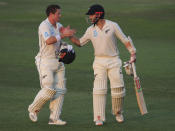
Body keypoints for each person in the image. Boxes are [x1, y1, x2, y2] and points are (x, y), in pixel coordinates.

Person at [69, 4, 136, 126]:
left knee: (118, 88)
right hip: (99, 62)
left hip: (114, 60)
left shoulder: (113, 25)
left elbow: (125, 40)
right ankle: (98, 117)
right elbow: (79, 42)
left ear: (98, 14)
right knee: (99, 89)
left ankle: (118, 112)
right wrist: (69, 36)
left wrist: (133, 53)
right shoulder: (90, 30)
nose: (89, 17)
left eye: (91, 15)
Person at [28, 4, 75, 125]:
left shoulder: (59, 26)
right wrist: (63, 35)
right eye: (58, 13)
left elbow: (60, 40)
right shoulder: (44, 25)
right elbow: (49, 41)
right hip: (45, 61)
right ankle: (33, 109)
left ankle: (54, 118)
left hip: (58, 61)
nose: (60, 15)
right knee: (49, 89)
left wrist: (67, 47)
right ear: (51, 14)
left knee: (60, 90)